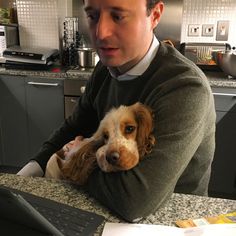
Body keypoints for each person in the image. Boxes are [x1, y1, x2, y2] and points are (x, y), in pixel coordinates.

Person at [17, 0, 216, 222]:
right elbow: (73, 127)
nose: (101, 33)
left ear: (155, 15)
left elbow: (135, 200)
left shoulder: (184, 87)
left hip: (172, 221)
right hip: (106, 209)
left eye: (118, 16)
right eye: (92, 16)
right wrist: (26, 173)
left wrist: (77, 159)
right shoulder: (105, 69)